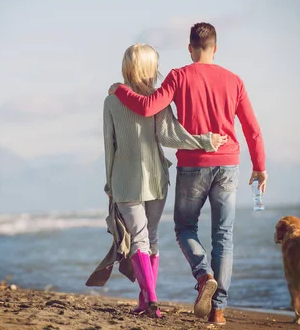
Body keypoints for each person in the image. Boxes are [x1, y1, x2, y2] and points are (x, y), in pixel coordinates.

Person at [108, 23, 267, 324]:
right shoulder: (234, 80)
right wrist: (259, 167)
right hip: (229, 164)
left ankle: (203, 273)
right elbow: (252, 129)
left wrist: (120, 90)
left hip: (193, 165)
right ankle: (218, 311)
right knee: (224, 237)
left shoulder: (179, 76)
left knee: (184, 228)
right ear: (215, 48)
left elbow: (147, 107)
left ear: (190, 48)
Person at [103, 42, 228, 319]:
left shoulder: (111, 101)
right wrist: (205, 141)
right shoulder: (157, 99)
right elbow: (171, 135)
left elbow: (108, 147)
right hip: (157, 178)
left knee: (138, 238)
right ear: (149, 68)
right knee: (152, 239)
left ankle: (149, 300)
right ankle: (147, 299)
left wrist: (109, 185)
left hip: (125, 180)